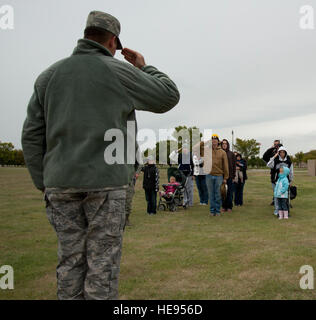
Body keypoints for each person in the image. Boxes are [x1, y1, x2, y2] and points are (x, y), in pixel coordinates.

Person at [21, 11, 180, 300]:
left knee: (70, 263)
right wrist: (144, 67)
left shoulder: (48, 76)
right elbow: (168, 95)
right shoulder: (117, 71)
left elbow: (32, 135)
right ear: (113, 42)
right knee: (102, 268)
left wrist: (44, 182)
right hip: (107, 184)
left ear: (86, 36)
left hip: (59, 185)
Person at [205, 134, 229, 216]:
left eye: (215, 140)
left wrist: (225, 177)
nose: (214, 141)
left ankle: (218, 211)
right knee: (211, 194)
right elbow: (196, 148)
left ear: (218, 141)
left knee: (218, 194)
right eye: (212, 139)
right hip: (209, 175)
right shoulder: (207, 151)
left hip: (219, 176)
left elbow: (226, 165)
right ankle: (212, 211)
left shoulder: (222, 152)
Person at [267, 146, 294, 216]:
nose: (282, 154)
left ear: (285, 153)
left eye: (283, 152)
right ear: (278, 153)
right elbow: (268, 165)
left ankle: (286, 210)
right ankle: (277, 210)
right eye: (280, 152)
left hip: (285, 181)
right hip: (276, 181)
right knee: (276, 196)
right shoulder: (275, 160)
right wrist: (273, 157)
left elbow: (291, 172)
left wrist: (291, 180)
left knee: (285, 197)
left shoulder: (289, 161)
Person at [263, 140, 283, 206]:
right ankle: (275, 200)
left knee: (282, 188)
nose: (276, 146)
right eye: (275, 145)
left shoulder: (284, 153)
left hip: (282, 174)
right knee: (275, 189)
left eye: (277, 145)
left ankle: (283, 201)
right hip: (274, 174)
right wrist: (271, 148)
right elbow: (265, 157)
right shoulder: (272, 152)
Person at [221, 139, 236, 212]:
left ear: (227, 145)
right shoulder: (219, 153)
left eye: (225, 143)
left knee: (230, 192)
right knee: (223, 192)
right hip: (221, 176)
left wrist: (233, 176)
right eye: (223, 143)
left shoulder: (231, 154)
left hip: (230, 176)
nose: (224, 145)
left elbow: (233, 166)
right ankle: (224, 206)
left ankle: (229, 206)